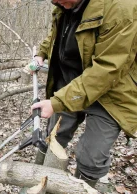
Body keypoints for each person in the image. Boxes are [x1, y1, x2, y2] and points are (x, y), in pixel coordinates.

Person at [25, 0, 137, 187]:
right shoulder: (65, 5)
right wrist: (42, 53)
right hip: (70, 82)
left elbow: (107, 70)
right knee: (53, 138)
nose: (57, 3)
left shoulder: (122, 8)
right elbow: (60, 33)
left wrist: (56, 102)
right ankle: (37, 185)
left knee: (91, 156)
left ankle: (83, 188)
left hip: (111, 91)